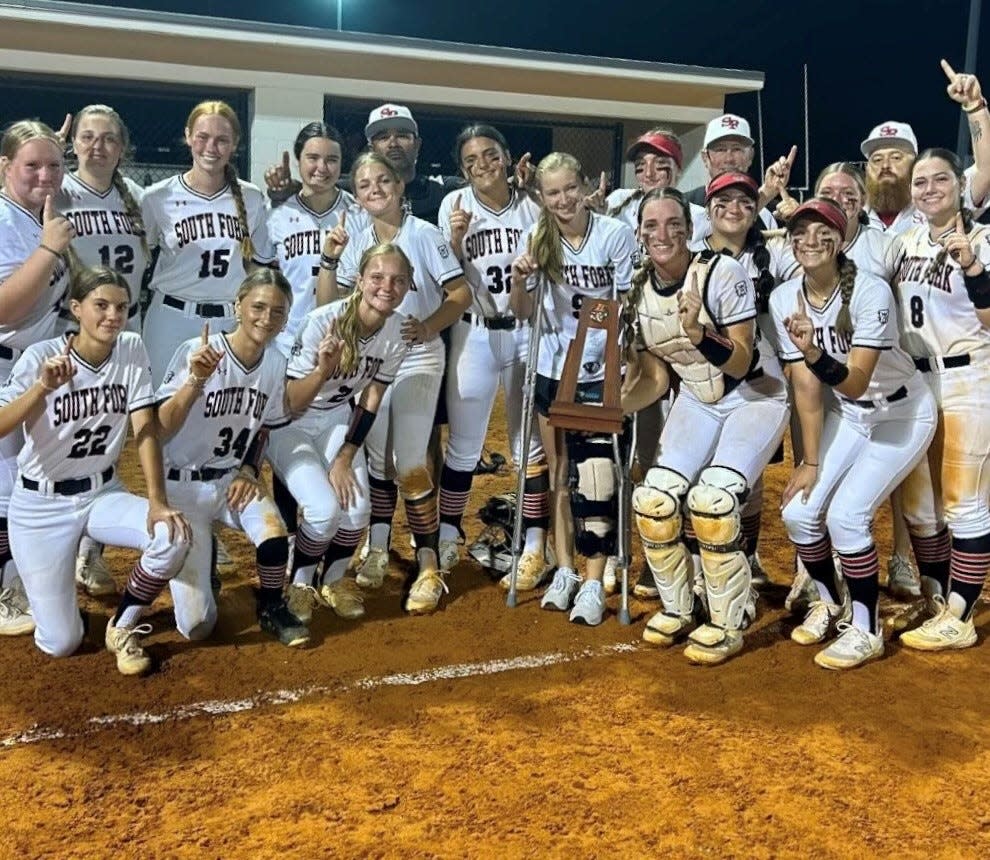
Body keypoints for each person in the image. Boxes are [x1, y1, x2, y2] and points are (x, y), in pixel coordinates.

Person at [623, 187, 788, 664]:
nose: (663, 234)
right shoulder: (639, 288)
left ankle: (729, 618)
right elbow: (656, 377)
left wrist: (698, 333)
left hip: (754, 395)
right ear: (639, 233)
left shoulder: (721, 271)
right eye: (651, 225)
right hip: (697, 396)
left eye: (674, 223)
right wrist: (612, 406)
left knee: (711, 501)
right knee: (653, 500)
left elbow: (738, 361)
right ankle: (680, 606)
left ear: (690, 228)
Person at [770, 198, 936, 670]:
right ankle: (833, 602)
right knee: (800, 515)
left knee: (846, 515)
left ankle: (867, 629)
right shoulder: (785, 297)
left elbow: (857, 378)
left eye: (824, 230)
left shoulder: (868, 290)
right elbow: (806, 386)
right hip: (852, 413)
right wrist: (811, 460)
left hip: (902, 413)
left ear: (842, 239)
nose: (811, 240)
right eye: (800, 231)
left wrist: (813, 351)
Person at [0, 267, 191, 675]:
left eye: (120, 307)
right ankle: (55, 604)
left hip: (102, 493)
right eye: (100, 305)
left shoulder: (131, 347)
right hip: (40, 505)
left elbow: (144, 429)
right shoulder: (40, 357)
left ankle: (121, 626)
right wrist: (40, 389)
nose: (112, 315)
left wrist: (157, 502)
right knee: (60, 642)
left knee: (171, 535)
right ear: (76, 309)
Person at [324, 153, 470, 613]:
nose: (374, 189)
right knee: (376, 454)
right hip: (373, 356)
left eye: (382, 179)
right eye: (364, 183)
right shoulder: (356, 239)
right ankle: (381, 547)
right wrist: (330, 258)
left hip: (418, 353)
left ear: (399, 184)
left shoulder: (424, 234)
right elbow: (328, 302)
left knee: (409, 460)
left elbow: (460, 294)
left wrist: (429, 326)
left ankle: (428, 565)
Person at [509, 152, 638, 626]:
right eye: (552, 193)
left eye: (569, 189)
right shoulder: (538, 238)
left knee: (597, 480)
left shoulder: (614, 236)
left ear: (584, 187)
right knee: (562, 470)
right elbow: (523, 311)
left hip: (598, 371)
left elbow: (624, 303)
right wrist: (521, 279)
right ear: (541, 198)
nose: (563, 200)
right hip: (550, 366)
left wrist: (620, 363)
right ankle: (564, 569)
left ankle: (593, 579)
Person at [156, 269, 309, 647]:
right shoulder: (198, 350)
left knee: (273, 536)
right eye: (257, 306)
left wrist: (249, 468)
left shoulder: (273, 364)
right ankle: (203, 558)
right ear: (238, 305)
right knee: (197, 627)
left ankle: (272, 606)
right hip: (182, 485)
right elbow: (160, 427)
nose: (266, 318)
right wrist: (195, 379)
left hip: (229, 480)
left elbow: (264, 426)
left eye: (277, 311)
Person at [270, 242, 413, 621]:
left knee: (357, 510)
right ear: (361, 280)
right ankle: (300, 583)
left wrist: (346, 455)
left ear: (408, 286)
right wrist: (322, 370)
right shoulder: (324, 321)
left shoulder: (398, 330)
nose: (387, 287)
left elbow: (373, 395)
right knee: (323, 510)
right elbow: (290, 402)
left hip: (335, 419)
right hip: (290, 424)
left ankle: (331, 579)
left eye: (398, 280)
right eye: (378, 277)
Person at [433, 124, 550, 585]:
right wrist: (457, 241)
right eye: (471, 161)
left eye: (489, 155)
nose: (482, 165)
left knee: (529, 447)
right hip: (475, 333)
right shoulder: (454, 205)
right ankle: (445, 538)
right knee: (463, 446)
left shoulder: (533, 204)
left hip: (527, 329)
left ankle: (534, 546)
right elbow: (447, 273)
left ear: (506, 156)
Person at [895, 148, 990, 651]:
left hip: (969, 377)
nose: (929, 188)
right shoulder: (907, 238)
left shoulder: (982, 238)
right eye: (920, 181)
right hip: (917, 381)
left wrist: (973, 268)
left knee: (963, 502)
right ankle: (936, 598)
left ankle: (962, 613)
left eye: (940, 179)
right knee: (920, 508)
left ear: (960, 184)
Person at [689, 171, 800, 588]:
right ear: (709, 207)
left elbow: (822, 267)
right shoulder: (689, 255)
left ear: (756, 210)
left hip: (758, 383)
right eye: (723, 201)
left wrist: (794, 225)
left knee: (747, 481)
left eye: (744, 202)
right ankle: (703, 564)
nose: (733, 209)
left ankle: (747, 558)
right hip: (700, 381)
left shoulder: (774, 254)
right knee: (699, 473)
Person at [59, 104, 150, 599]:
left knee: (107, 437)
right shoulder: (58, 190)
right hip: (65, 331)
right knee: (64, 436)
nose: (97, 146)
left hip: (122, 331)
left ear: (122, 145)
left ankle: (89, 548)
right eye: (88, 137)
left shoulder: (137, 197)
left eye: (108, 138)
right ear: (73, 144)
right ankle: (54, 538)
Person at [141, 100, 275, 386]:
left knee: (220, 410)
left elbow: (259, 267)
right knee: (160, 407)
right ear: (188, 136)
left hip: (228, 320)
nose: (211, 148)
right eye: (202, 137)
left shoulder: (251, 199)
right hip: (170, 317)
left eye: (221, 140)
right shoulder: (157, 197)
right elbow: (143, 257)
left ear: (234, 144)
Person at [0, 120, 72, 636]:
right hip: (5, 368)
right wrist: (49, 249)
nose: (45, 174)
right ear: (5, 168)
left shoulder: (39, 214)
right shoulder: (7, 220)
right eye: (32, 165)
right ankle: (5, 593)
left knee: (32, 481)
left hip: (35, 370)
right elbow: (5, 307)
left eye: (54, 164)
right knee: (5, 491)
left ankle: (21, 581)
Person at [266, 122, 367, 358]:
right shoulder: (275, 215)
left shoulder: (359, 214)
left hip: (343, 339)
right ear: (297, 160)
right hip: (286, 340)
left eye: (332, 159)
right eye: (313, 158)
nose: (322, 167)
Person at [682, 113, 785, 238]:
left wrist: (797, 220)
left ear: (751, 156)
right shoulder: (683, 205)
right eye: (720, 149)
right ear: (705, 158)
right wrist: (765, 195)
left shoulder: (772, 211)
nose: (729, 159)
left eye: (737, 149)